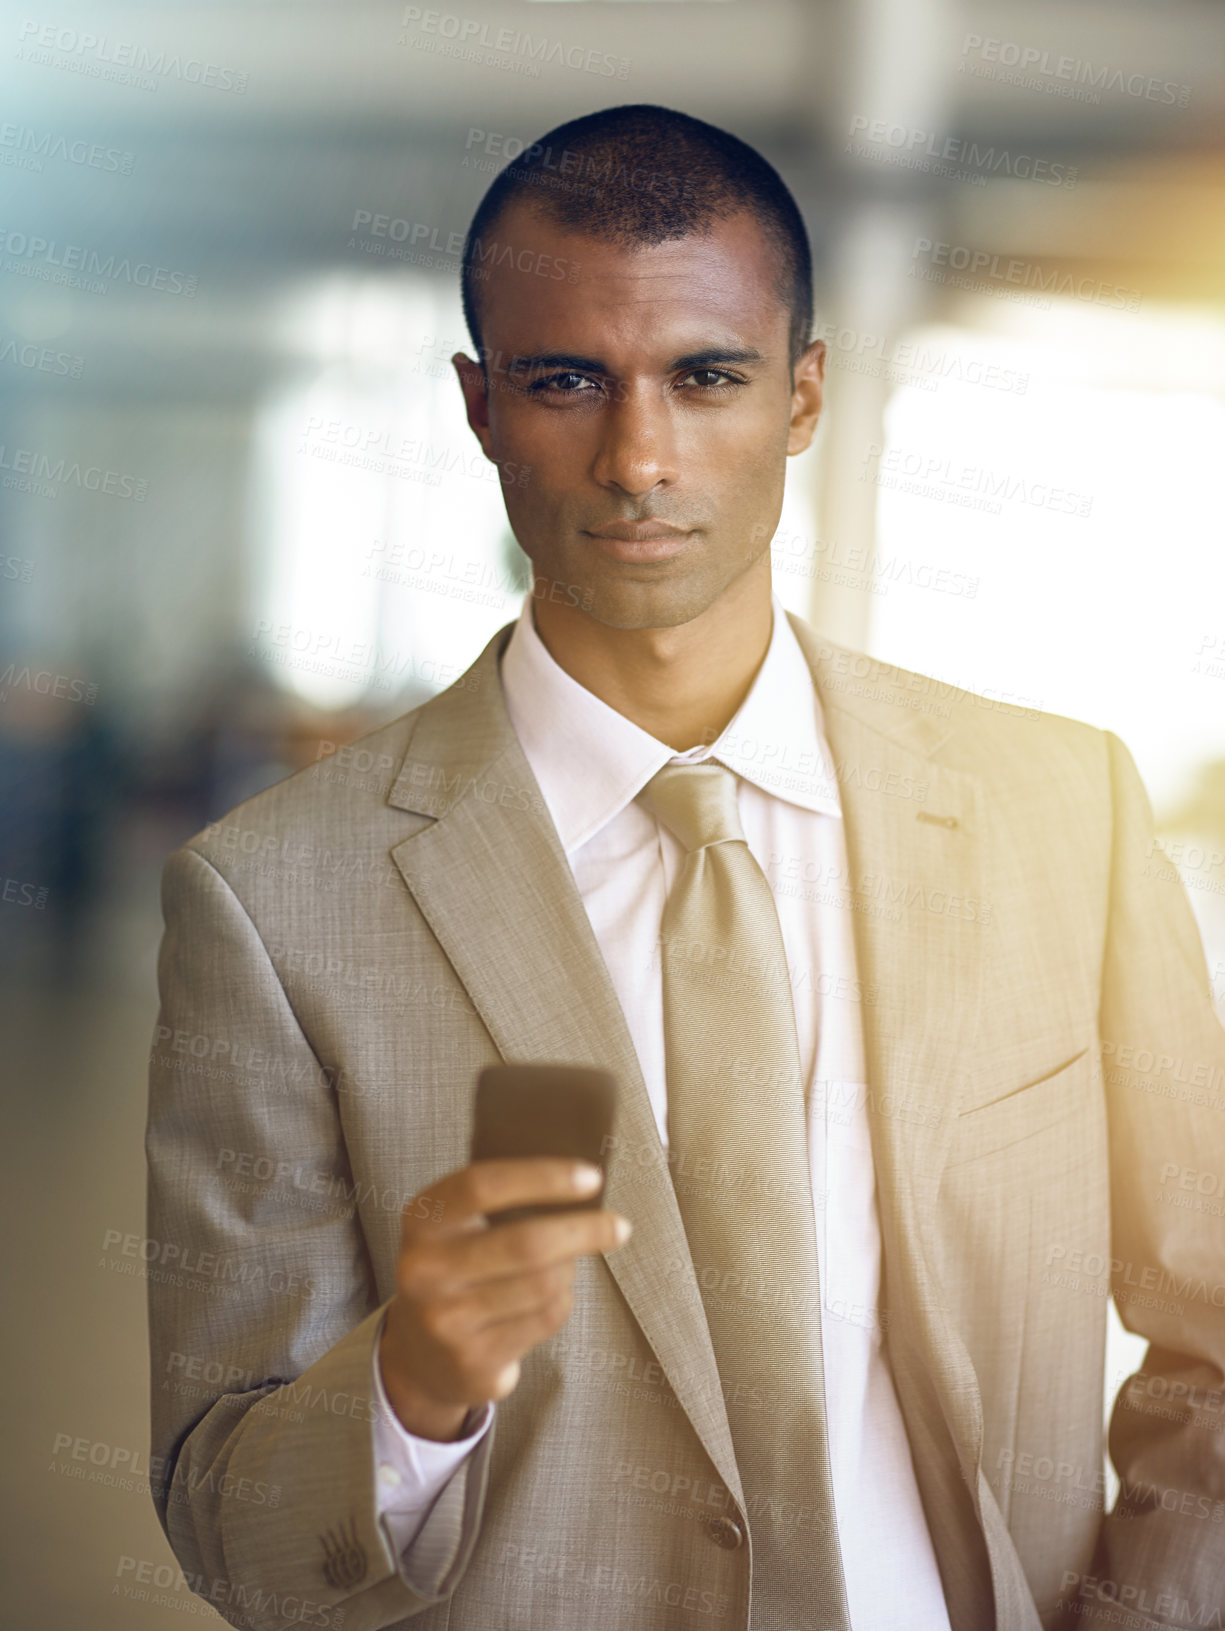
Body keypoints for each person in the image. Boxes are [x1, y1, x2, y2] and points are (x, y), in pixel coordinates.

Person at [145, 104, 1225, 1631]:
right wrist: (409, 1385)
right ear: (477, 407)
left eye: (704, 378)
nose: (638, 456)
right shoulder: (274, 902)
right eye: (566, 380)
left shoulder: (1061, 813)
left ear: (801, 396)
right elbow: (223, 1508)